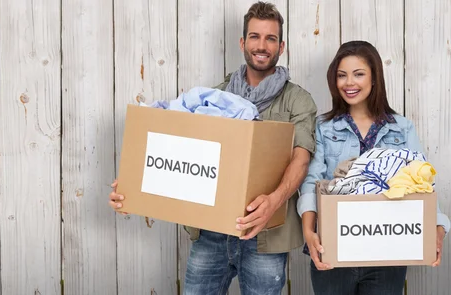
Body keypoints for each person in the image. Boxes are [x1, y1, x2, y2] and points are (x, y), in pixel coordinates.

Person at [110, 2, 318, 294]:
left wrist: (275, 199)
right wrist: (134, 185)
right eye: (255, 37)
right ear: (243, 42)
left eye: (270, 38)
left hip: (266, 236)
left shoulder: (299, 101)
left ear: (281, 46)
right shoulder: (212, 97)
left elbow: (301, 158)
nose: (262, 45)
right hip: (211, 234)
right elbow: (179, 153)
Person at [297, 40, 450, 294]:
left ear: (374, 78)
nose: (349, 83)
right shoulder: (323, 127)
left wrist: (438, 228)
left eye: (358, 74)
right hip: (332, 248)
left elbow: (423, 181)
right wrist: (308, 232)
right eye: (342, 75)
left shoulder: (402, 128)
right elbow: (311, 182)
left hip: (388, 252)